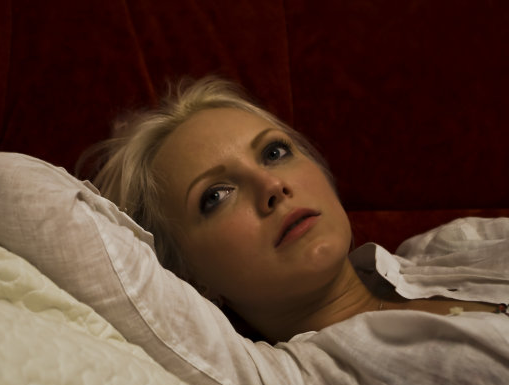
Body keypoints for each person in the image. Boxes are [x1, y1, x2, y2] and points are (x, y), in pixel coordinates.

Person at [78, 76, 506, 343]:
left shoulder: (453, 244)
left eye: (274, 152)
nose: (272, 186)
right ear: (190, 278)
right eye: (216, 195)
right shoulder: (297, 382)